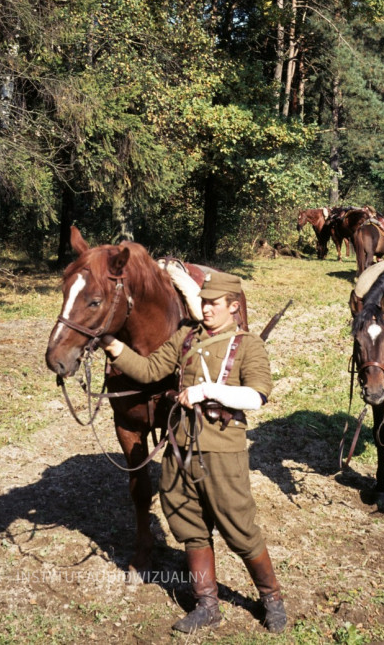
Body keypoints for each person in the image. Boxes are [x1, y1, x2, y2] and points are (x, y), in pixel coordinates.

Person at [103, 270, 286, 634]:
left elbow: (257, 395)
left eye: (214, 304)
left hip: (221, 450)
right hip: (180, 446)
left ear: (233, 307)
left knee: (239, 527)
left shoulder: (248, 345)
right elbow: (150, 369)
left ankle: (272, 599)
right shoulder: (187, 337)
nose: (205, 310)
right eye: (203, 303)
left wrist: (206, 391)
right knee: (189, 524)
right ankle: (207, 604)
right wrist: (114, 347)